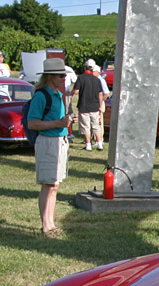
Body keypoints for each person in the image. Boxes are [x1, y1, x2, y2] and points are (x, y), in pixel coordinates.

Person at [28, 58, 74, 237]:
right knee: (48, 184)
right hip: (48, 142)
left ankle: (51, 222)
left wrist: (66, 121)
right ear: (49, 77)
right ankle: (46, 225)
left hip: (60, 141)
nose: (63, 78)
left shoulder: (58, 95)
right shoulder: (41, 96)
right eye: (60, 75)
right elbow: (32, 123)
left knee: (55, 184)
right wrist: (58, 123)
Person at [71, 58, 105, 151]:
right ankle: (99, 144)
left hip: (84, 106)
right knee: (95, 126)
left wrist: (70, 93)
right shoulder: (97, 80)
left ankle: (88, 145)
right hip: (94, 106)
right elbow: (100, 94)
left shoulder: (81, 78)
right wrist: (100, 105)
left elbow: (76, 91)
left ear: (85, 67)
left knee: (85, 126)